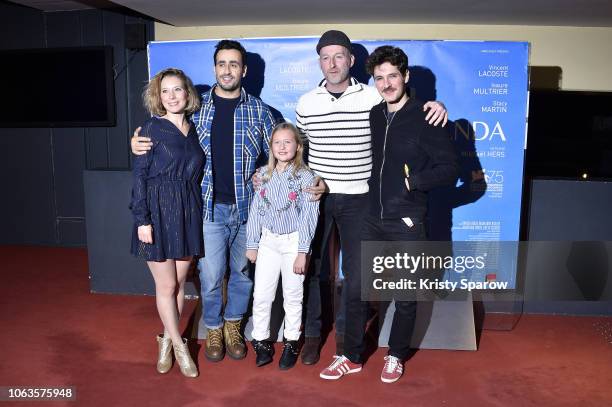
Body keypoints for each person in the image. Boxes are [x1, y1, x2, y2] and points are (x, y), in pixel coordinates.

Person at [296, 30, 449, 365]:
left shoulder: (371, 99)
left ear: (351, 61)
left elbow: (406, 109)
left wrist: (436, 105)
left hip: (360, 201)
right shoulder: (306, 103)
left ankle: (353, 345)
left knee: (356, 281)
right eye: (326, 57)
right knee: (312, 270)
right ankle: (312, 337)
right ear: (319, 61)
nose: (332, 63)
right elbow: (300, 151)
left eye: (339, 56)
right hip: (317, 198)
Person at [131, 40, 276, 362]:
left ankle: (233, 326)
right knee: (209, 277)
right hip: (206, 208)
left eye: (234, 64)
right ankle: (212, 328)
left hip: (246, 207)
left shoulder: (261, 112)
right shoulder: (197, 109)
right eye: (222, 64)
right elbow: (165, 131)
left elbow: (278, 154)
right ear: (214, 69)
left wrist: (266, 176)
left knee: (240, 274)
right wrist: (136, 142)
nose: (227, 70)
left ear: (244, 70)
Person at [130, 68, 204, 378]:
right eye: (165, 91)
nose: (171, 96)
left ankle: (165, 340)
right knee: (167, 285)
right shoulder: (150, 128)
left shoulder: (194, 129)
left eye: (177, 90)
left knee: (178, 287)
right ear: (158, 97)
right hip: (157, 211)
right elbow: (140, 176)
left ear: (187, 94)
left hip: (187, 211)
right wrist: (142, 219)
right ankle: (179, 346)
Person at [245, 123, 319, 370]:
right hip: (267, 241)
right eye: (277, 142)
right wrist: (252, 243)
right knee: (262, 295)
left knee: (293, 296)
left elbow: (309, 217)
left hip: (293, 242)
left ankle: (291, 341)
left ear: (298, 146)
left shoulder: (306, 177)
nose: (282, 147)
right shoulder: (263, 175)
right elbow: (256, 211)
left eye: (288, 142)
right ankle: (261, 340)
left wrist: (302, 252)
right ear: (271, 147)